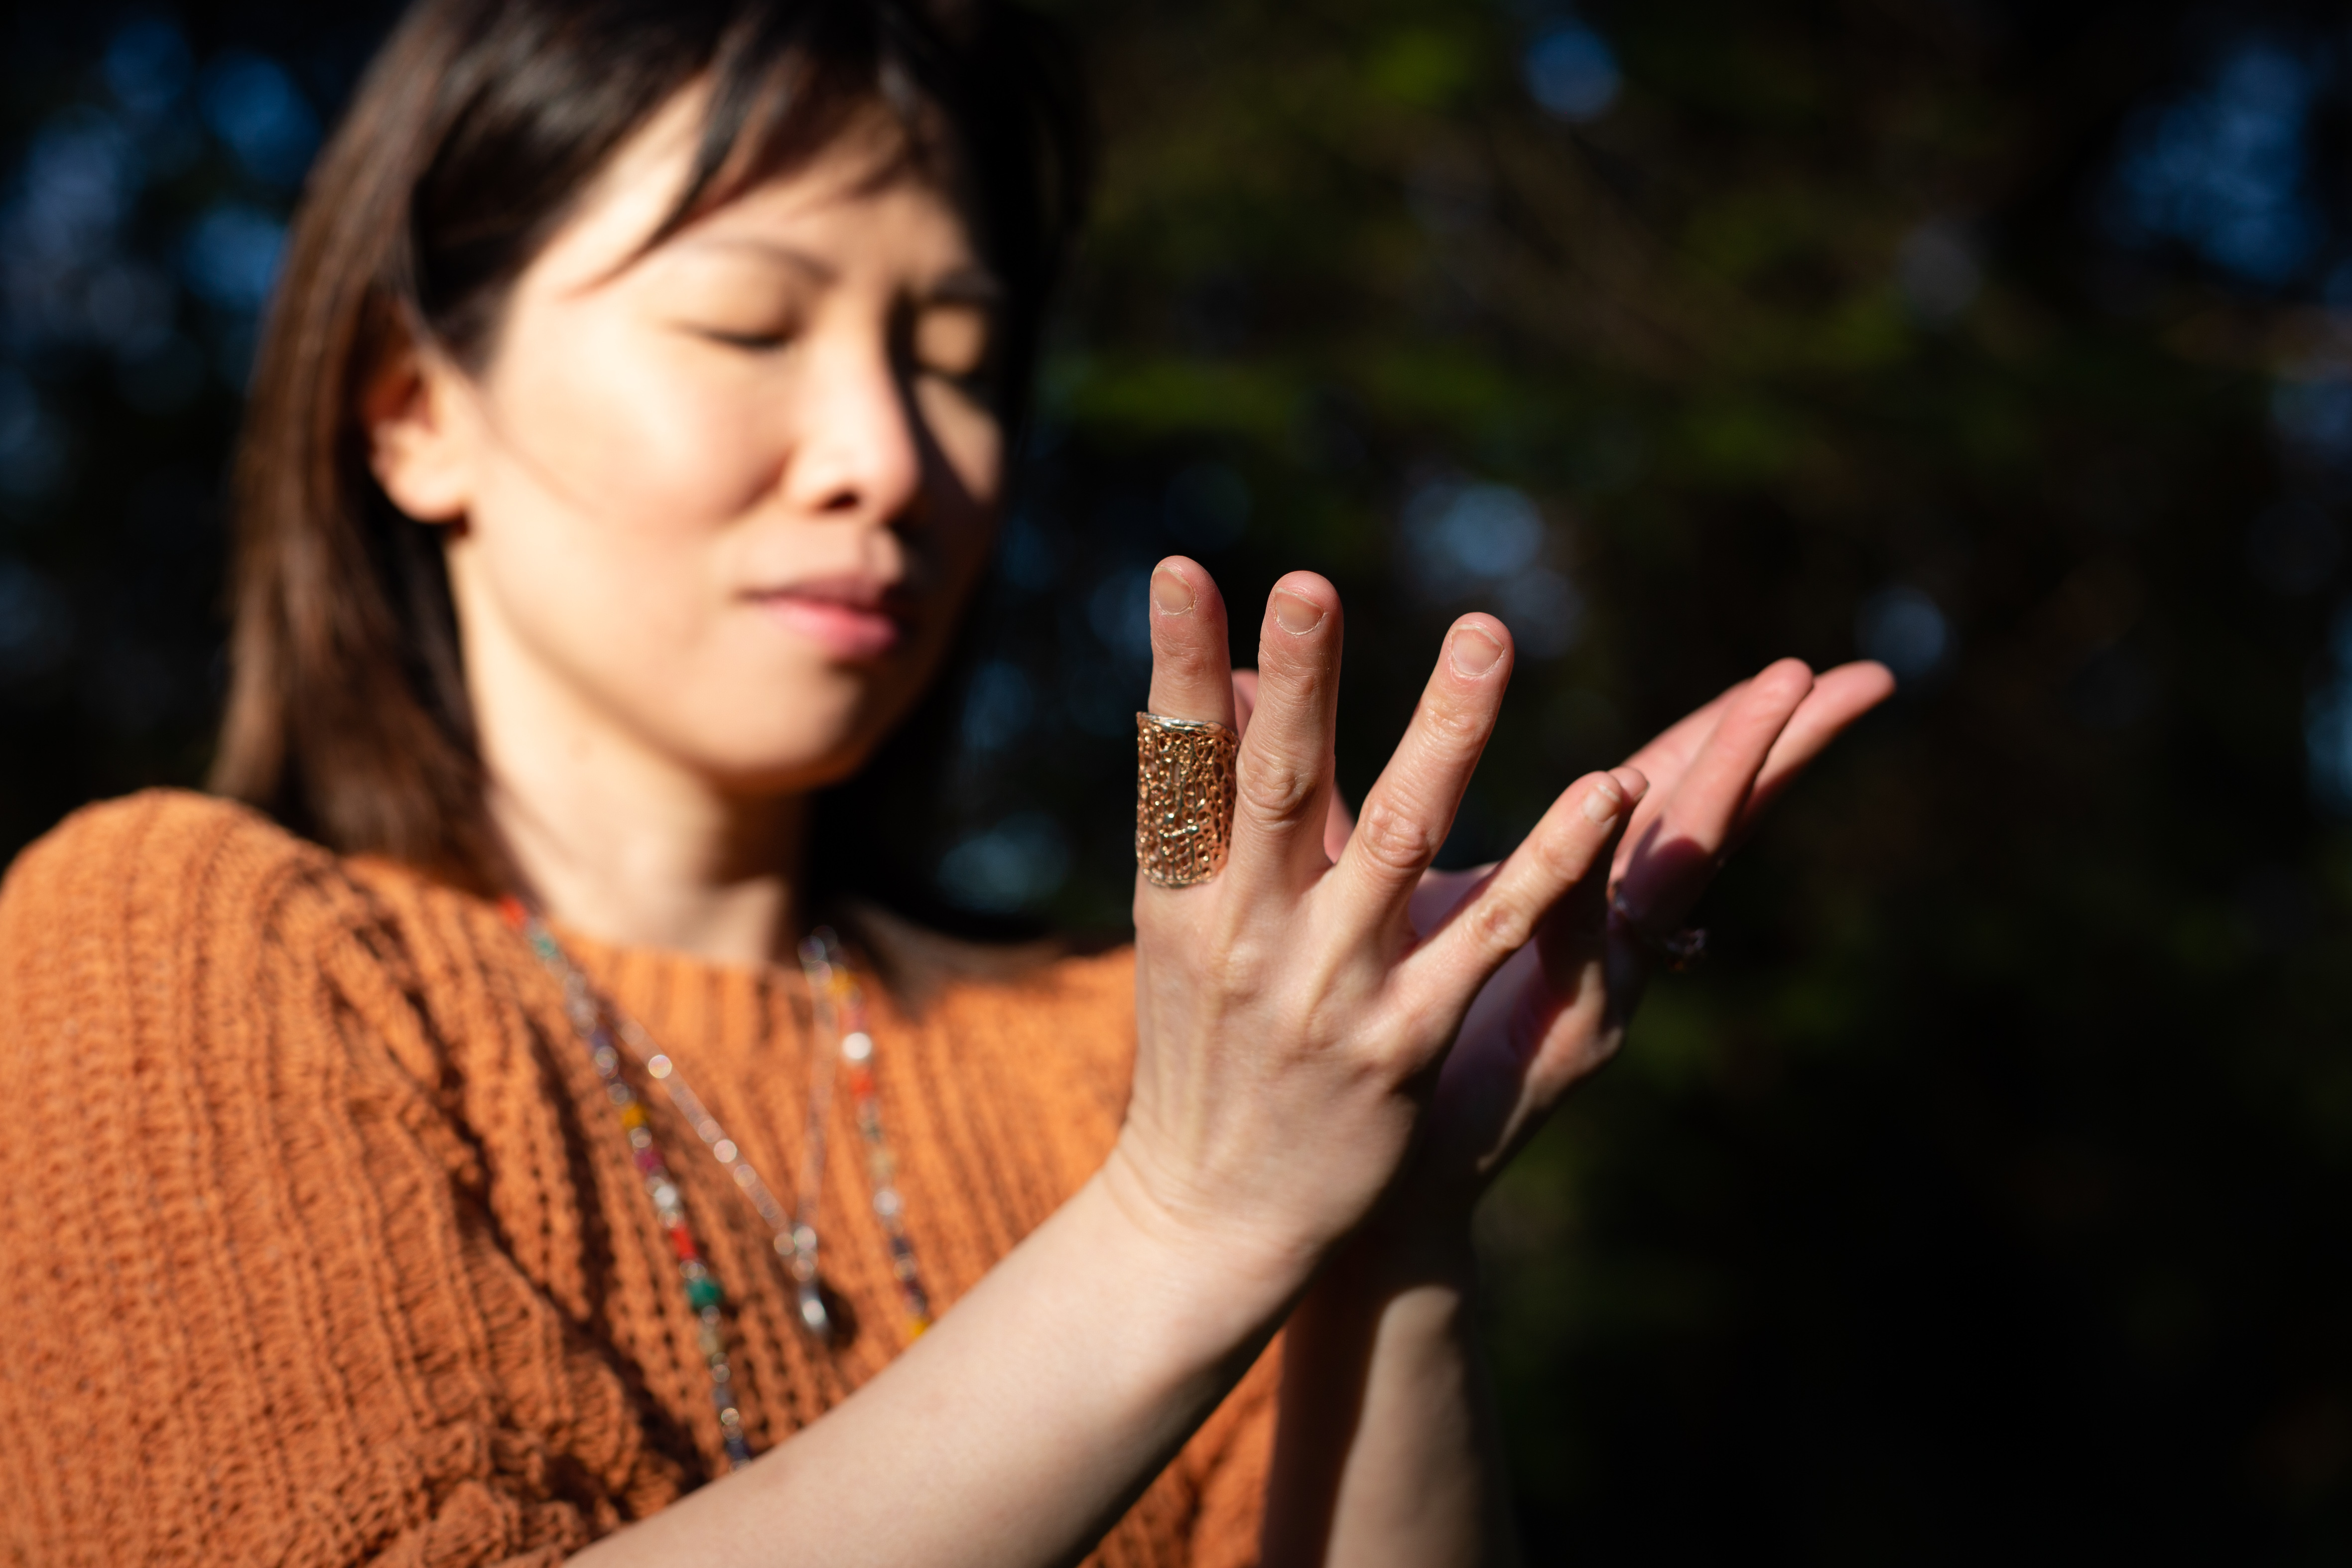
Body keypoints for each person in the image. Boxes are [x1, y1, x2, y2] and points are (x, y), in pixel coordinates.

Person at [0, 0, 1893, 1563]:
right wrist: (1186, 1216)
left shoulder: (1119, 1048)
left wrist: (1390, 1200)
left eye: (961, 358)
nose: (888, 456)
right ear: (412, 405)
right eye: (748, 324)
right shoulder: (162, 948)